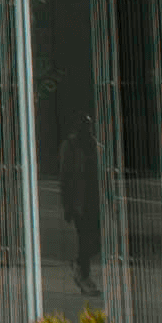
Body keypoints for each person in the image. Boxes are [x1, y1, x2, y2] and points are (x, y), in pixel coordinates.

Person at [54, 113, 100, 295]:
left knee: (96, 240)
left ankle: (79, 265)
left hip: (93, 199)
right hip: (80, 201)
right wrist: (67, 205)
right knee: (85, 239)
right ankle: (85, 277)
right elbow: (65, 176)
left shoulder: (93, 145)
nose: (87, 130)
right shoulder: (70, 146)